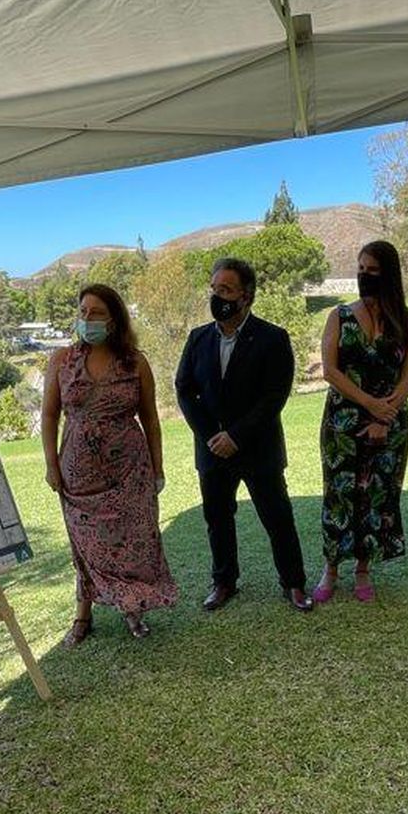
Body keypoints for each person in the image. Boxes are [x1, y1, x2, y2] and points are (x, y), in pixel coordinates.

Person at [41, 283, 178, 644]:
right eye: (83, 311)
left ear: (114, 319)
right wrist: (51, 465)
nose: (88, 319)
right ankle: (82, 615)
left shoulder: (136, 362)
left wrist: (158, 470)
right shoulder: (61, 361)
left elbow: (150, 419)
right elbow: (49, 417)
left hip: (130, 472)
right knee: (85, 544)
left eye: (97, 313)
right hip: (78, 475)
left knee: (132, 541)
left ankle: (132, 609)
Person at [175, 257, 313, 613]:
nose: (217, 296)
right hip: (211, 451)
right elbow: (184, 389)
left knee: (277, 517)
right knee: (217, 519)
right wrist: (212, 436)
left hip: (258, 449)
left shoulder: (273, 338)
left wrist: (235, 436)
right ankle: (223, 582)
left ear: (246, 296)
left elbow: (274, 396)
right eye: (214, 289)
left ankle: (294, 584)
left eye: (226, 290)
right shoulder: (197, 338)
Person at [315, 240, 408, 602]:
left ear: (388, 275)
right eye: (360, 269)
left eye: (372, 271)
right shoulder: (339, 316)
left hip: (390, 422)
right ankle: (331, 568)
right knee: (339, 494)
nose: (364, 276)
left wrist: (386, 412)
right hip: (343, 422)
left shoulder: (406, 321)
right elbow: (330, 370)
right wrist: (370, 404)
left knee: (378, 494)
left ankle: (363, 568)